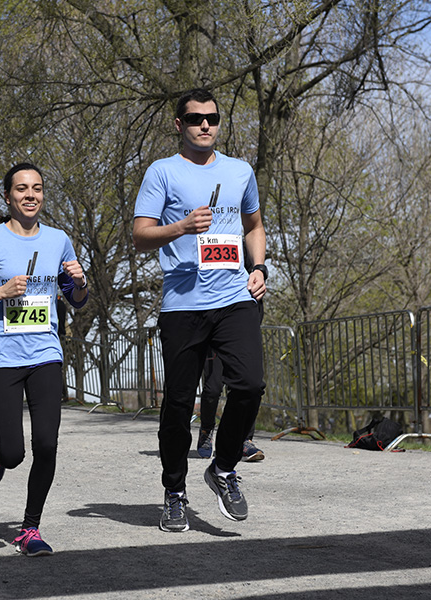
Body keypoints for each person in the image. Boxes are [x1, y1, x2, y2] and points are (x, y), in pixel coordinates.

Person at [133, 88, 268, 533]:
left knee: (249, 384)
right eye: (194, 119)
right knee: (177, 405)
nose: (204, 125)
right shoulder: (162, 173)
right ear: (179, 125)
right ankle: (174, 492)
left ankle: (224, 468)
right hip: (183, 305)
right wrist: (181, 227)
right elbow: (140, 234)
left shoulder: (240, 170)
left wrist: (260, 266)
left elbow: (254, 225)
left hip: (234, 297)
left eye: (211, 118)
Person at [0, 163, 89, 557]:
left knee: (47, 444)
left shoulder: (59, 240)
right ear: (8, 196)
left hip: (45, 353)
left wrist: (79, 282)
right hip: (2, 358)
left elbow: (76, 300)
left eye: (38, 189)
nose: (31, 195)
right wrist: (0, 292)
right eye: (22, 189)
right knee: (14, 455)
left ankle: (30, 529)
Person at [197, 351, 264, 461]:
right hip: (214, 342)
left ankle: (244, 438)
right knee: (212, 391)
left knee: (248, 386)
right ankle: (206, 430)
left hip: (239, 338)